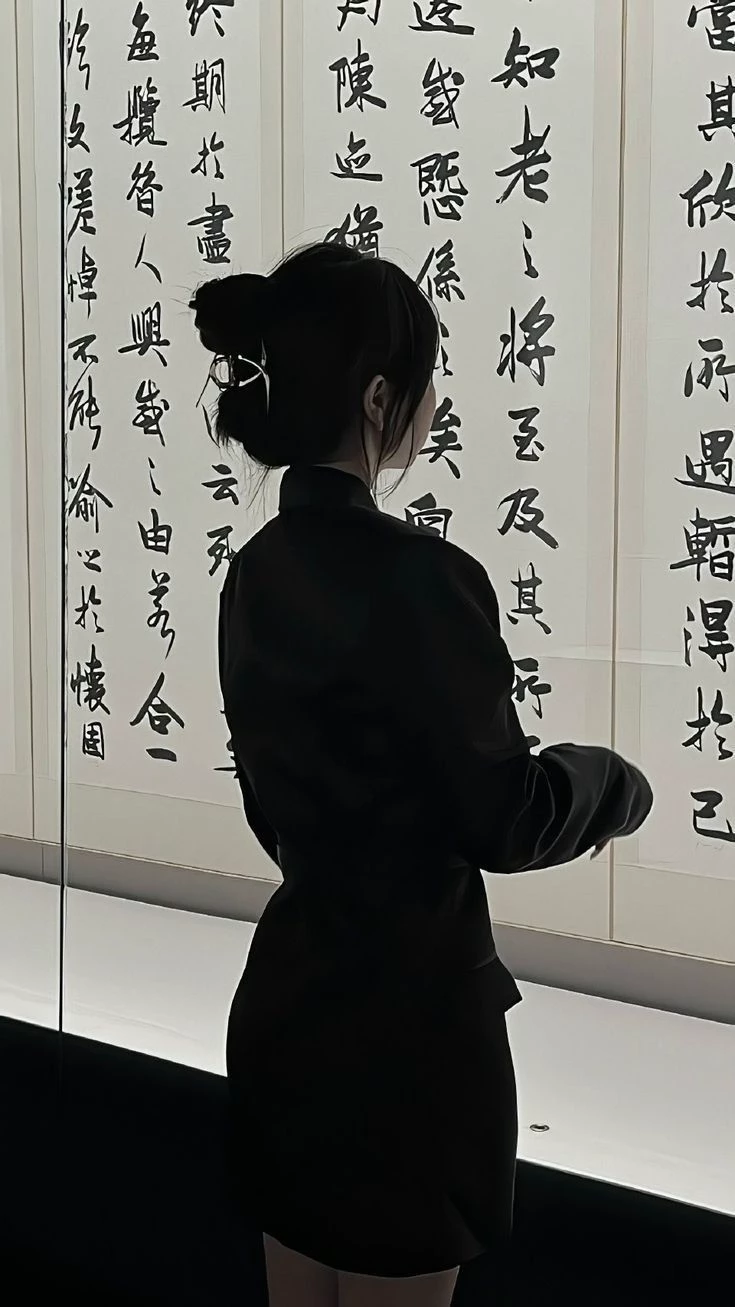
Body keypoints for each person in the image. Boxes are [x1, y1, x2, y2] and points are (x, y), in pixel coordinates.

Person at [190, 242, 653, 1307]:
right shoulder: (424, 578)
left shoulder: (256, 573)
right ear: (377, 397)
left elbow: (275, 806)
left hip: (290, 1008)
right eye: (425, 381)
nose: (431, 404)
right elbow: (505, 815)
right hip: (406, 1041)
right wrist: (613, 784)